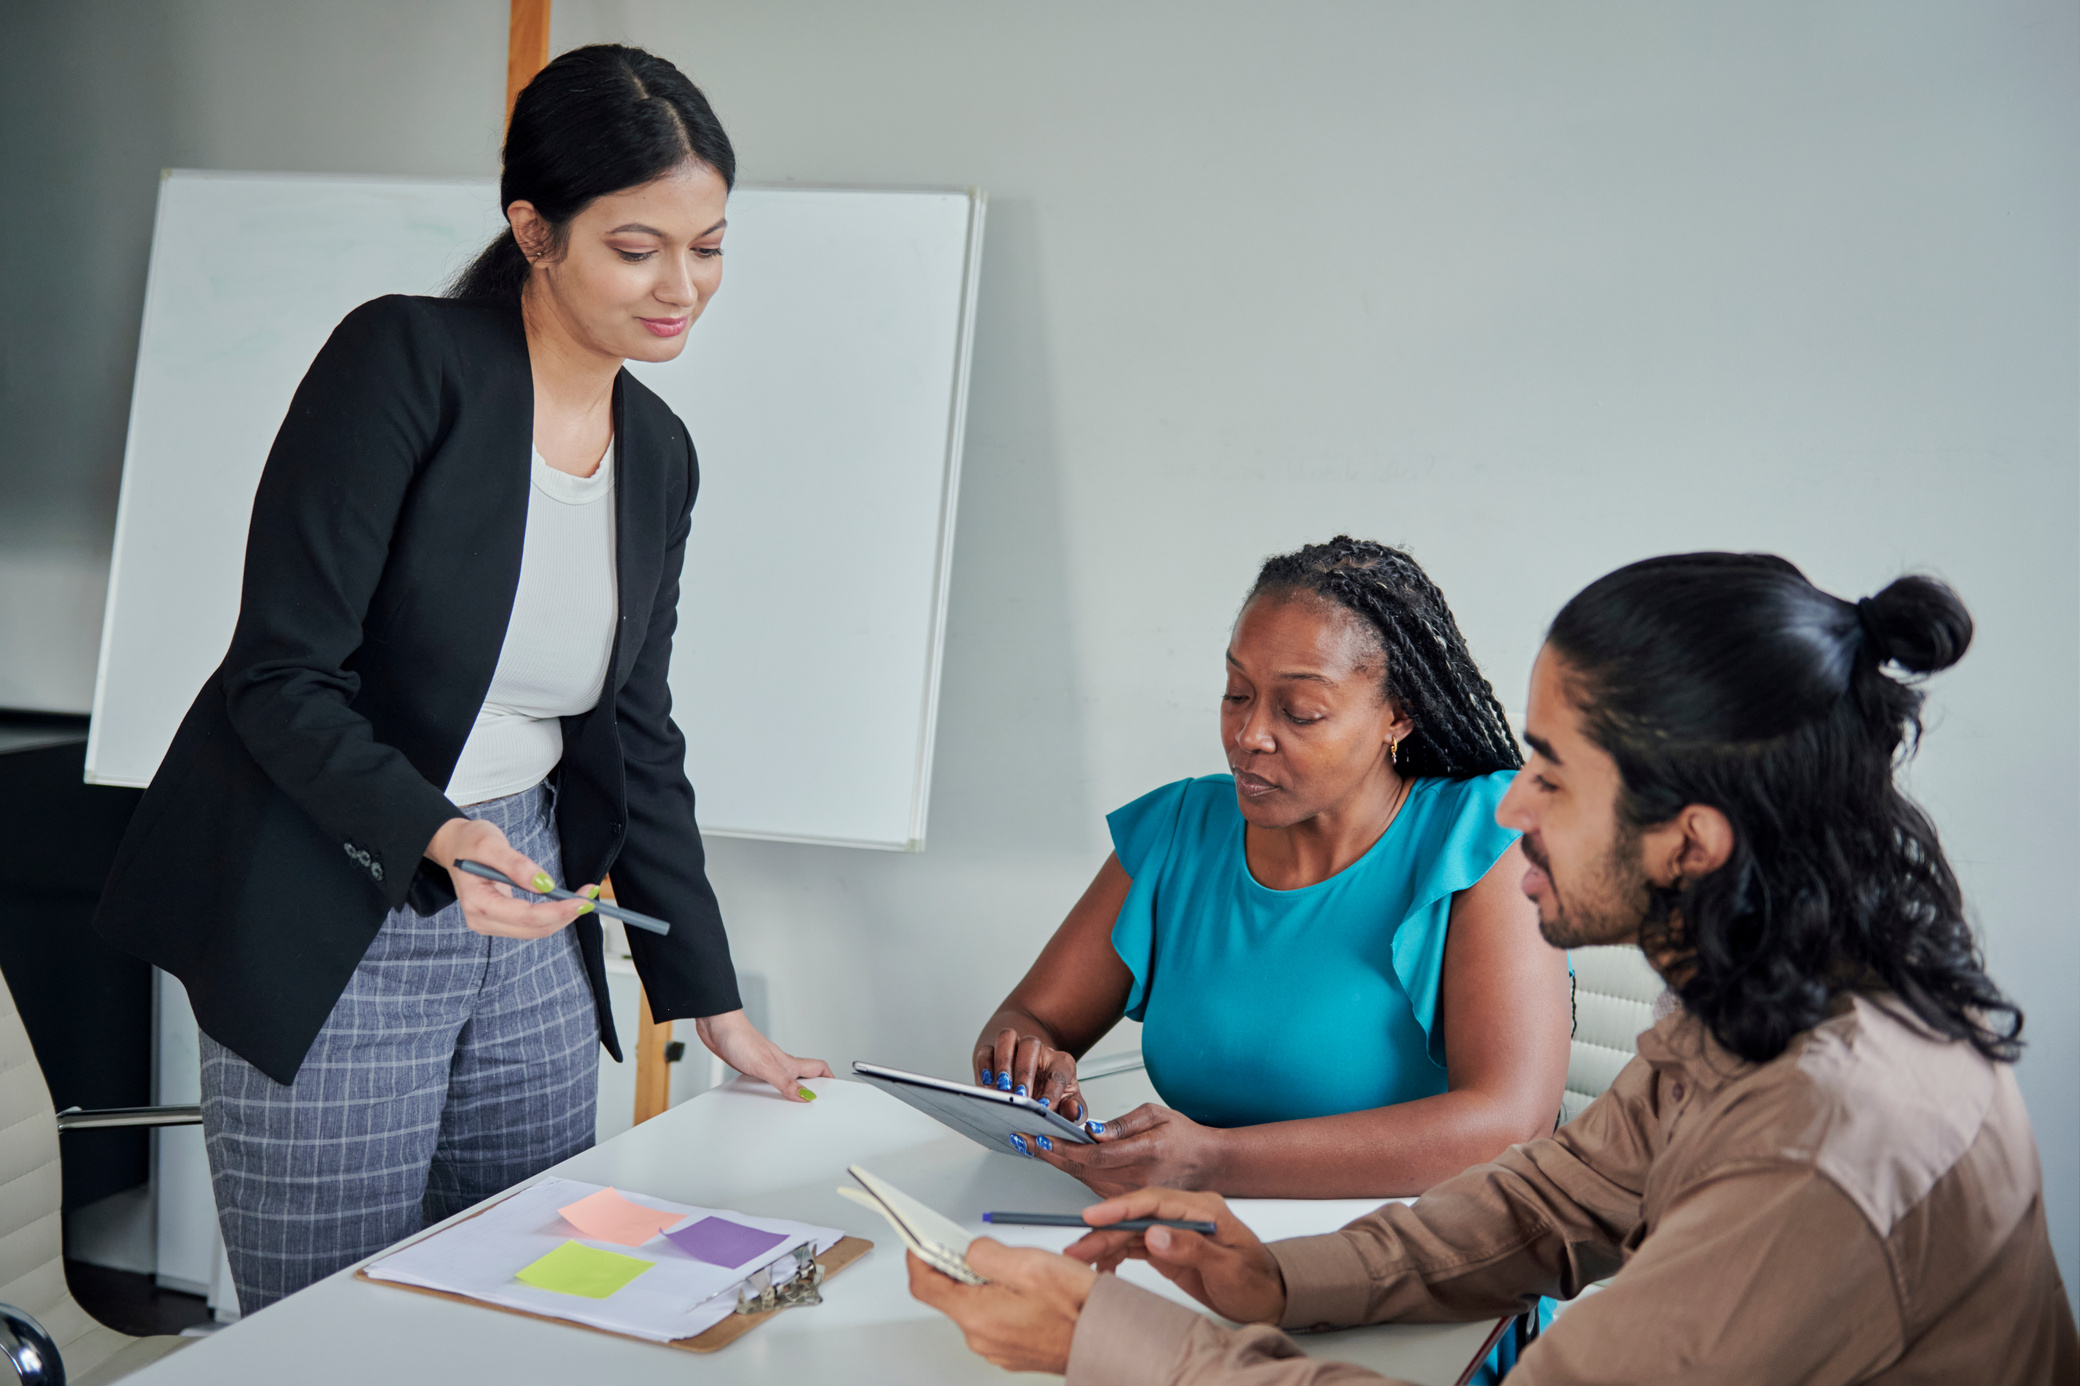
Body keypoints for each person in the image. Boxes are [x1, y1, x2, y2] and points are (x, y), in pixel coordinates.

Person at [914, 553, 2079, 1384]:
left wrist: (1104, 1343)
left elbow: (1510, 1149)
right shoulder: (1762, 1000)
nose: (1509, 806)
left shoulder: (1824, 1149)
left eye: (1554, 778)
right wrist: (1281, 1280)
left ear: (1692, 841)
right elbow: (1562, 1196)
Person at [92, 45, 829, 1312]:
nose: (683, 287)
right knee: (331, 1321)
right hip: (338, 887)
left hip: (532, 897)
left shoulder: (659, 451)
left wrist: (707, 1001)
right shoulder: (406, 363)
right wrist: (435, 835)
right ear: (533, 232)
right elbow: (279, 675)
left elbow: (635, 729)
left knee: (534, 1286)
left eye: (708, 246)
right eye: (637, 247)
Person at [975, 538, 1572, 1201]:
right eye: (1237, 693)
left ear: (1398, 714)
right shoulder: (1180, 830)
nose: (1249, 734)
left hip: (1409, 1265)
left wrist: (1214, 1161)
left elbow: (1508, 1125)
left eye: (1300, 712)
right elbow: (1032, 1016)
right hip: (1192, 1245)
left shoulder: (1481, 839)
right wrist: (1025, 1061)